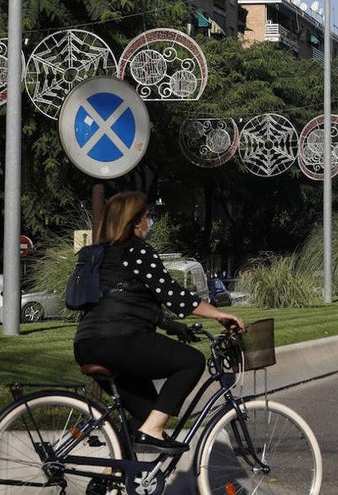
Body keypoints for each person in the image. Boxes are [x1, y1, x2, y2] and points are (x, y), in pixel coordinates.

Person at [74, 191, 244, 454]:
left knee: (147, 412)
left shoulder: (102, 254)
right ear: (134, 220)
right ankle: (152, 431)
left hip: (88, 343)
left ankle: (112, 476)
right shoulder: (137, 250)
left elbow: (127, 302)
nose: (149, 221)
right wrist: (220, 314)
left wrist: (173, 327)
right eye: (147, 216)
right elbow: (174, 295)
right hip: (119, 340)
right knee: (192, 361)